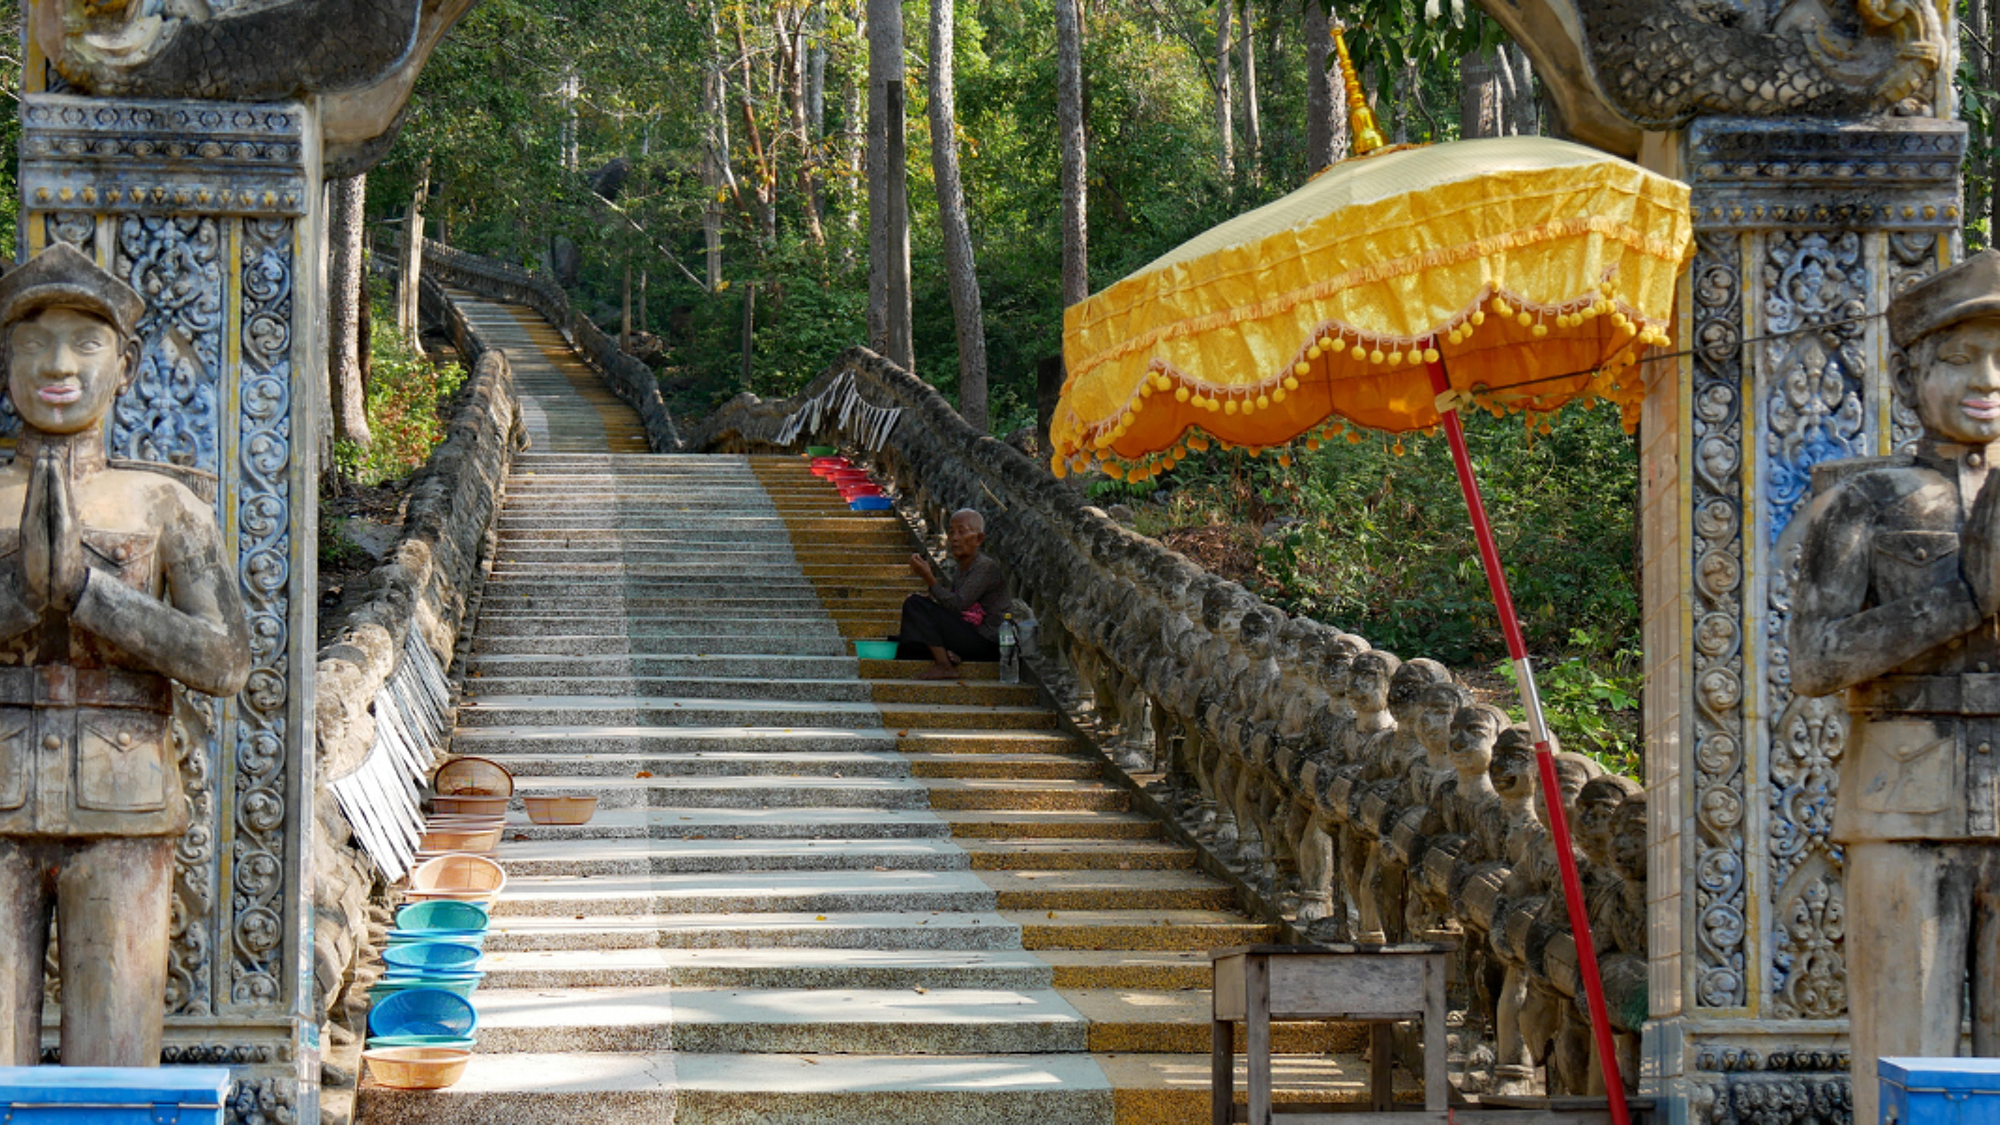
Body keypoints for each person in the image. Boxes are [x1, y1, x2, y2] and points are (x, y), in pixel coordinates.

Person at [0, 242, 252, 1067]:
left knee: (112, 1066)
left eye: (85, 342)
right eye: (34, 342)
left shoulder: (162, 502)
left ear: (127, 365)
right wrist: (22, 593)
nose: (58, 364)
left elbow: (225, 658)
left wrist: (89, 594)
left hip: (124, 803)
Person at [1790, 247, 2000, 1125]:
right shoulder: (1866, 500)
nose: (1986, 377)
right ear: (1915, 370)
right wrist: (1962, 600)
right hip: (1901, 802)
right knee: (1903, 1062)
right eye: (1959, 356)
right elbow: (1815, 658)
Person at [893, 508, 1014, 680]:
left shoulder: (985, 568)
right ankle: (948, 656)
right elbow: (952, 607)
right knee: (910, 645)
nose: (955, 538)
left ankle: (944, 666)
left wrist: (928, 577)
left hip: (987, 641)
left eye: (962, 532)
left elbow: (957, 604)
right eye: (951, 533)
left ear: (978, 539)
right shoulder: (962, 568)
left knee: (915, 604)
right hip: (968, 634)